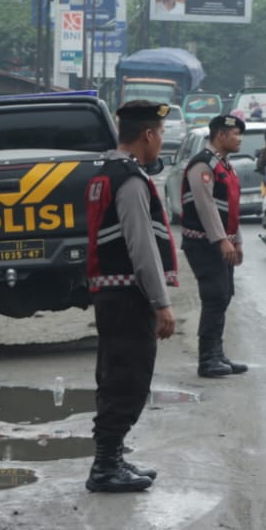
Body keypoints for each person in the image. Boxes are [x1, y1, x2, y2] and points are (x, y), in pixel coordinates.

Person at [84, 100, 179, 493]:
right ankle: (106, 466)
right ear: (148, 135)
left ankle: (113, 457)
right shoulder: (130, 180)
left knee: (114, 375)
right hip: (128, 295)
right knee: (128, 379)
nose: (160, 142)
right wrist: (162, 303)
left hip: (110, 294)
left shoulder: (102, 174)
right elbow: (143, 249)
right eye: (159, 135)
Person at [179, 114, 248, 379]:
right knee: (214, 295)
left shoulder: (225, 166)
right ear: (220, 135)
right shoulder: (202, 165)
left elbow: (230, 209)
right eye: (235, 135)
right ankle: (207, 359)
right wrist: (221, 241)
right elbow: (205, 207)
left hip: (222, 242)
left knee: (224, 295)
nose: (239, 139)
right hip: (202, 243)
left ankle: (218, 354)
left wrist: (237, 241)